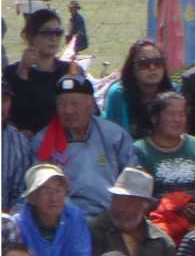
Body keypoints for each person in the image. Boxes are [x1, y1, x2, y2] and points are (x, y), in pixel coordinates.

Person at [29, 74, 136, 219]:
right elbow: (39, 188)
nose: (68, 110)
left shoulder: (114, 135)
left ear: (90, 104)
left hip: (111, 216)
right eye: (62, 104)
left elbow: (132, 178)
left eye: (74, 103)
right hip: (63, 218)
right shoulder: (44, 142)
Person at [87, 168, 178, 256]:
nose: (120, 208)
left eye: (129, 202)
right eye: (117, 200)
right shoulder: (95, 232)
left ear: (145, 204)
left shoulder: (161, 242)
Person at [13, 165, 92, 256]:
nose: (54, 197)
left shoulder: (76, 219)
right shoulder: (18, 224)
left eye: (58, 190)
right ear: (32, 198)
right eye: (46, 191)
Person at [134, 91, 195, 210]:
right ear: (154, 118)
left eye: (181, 114)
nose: (177, 119)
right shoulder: (139, 150)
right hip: (158, 220)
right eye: (171, 114)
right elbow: (140, 196)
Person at [5, 9, 80, 135]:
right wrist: (23, 72)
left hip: (65, 145)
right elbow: (14, 115)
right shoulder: (11, 73)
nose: (54, 38)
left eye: (58, 32)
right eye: (47, 32)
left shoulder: (69, 71)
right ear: (30, 36)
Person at [104, 40, 175, 138]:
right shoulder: (118, 94)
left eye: (158, 62)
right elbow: (110, 136)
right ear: (132, 68)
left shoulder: (174, 93)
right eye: (144, 64)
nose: (152, 68)